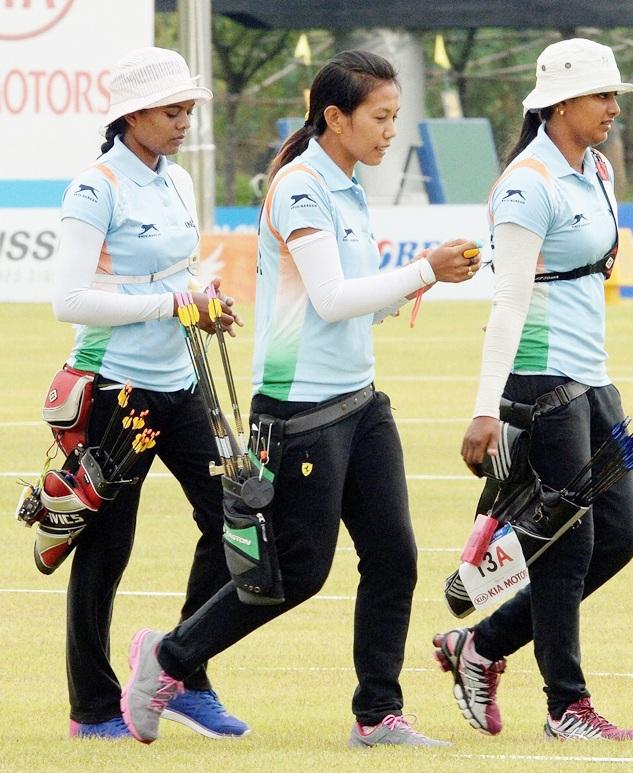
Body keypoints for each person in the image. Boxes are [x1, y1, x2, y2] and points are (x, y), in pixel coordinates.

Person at [119, 49, 481, 748]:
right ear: (336, 117)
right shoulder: (302, 186)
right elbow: (333, 297)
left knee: (395, 555)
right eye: (380, 117)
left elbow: (352, 304)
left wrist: (425, 278)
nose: (389, 132)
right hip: (300, 409)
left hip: (359, 401)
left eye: (396, 118)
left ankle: (377, 715)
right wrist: (420, 270)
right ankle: (167, 656)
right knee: (295, 572)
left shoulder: (346, 182)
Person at [433, 38, 633, 741]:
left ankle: (481, 644)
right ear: (560, 104)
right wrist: (484, 407)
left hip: (593, 374)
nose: (614, 107)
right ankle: (566, 706)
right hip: (542, 378)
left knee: (617, 536)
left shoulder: (598, 168)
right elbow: (509, 303)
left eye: (615, 94)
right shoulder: (528, 183)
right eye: (601, 96)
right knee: (570, 545)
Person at [52, 46, 249, 740]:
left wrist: (205, 302)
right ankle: (93, 708)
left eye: (188, 111)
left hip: (181, 380)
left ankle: (183, 668)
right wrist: (174, 303)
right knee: (106, 549)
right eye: (172, 112)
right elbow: (69, 300)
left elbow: (183, 275)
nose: (183, 123)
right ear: (132, 114)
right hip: (115, 389)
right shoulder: (96, 186)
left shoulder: (179, 180)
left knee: (235, 519)